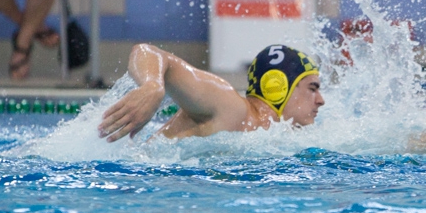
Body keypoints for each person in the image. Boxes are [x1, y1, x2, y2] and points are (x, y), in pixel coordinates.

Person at [98, 43, 325, 143]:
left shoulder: (271, 134)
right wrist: (152, 86)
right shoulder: (231, 107)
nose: (321, 100)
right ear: (278, 86)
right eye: (312, 88)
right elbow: (148, 51)